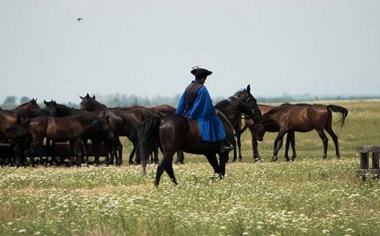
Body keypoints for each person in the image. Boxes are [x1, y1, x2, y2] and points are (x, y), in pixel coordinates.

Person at [175, 66, 233, 154]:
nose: (205, 80)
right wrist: (212, 111)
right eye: (205, 78)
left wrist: (178, 114)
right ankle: (222, 144)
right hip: (196, 113)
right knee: (217, 121)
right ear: (203, 78)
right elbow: (202, 104)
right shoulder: (202, 89)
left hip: (186, 112)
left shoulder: (188, 87)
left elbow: (182, 103)